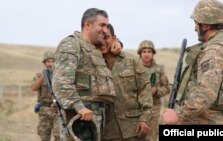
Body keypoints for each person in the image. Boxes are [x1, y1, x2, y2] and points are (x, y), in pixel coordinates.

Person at [161, 0, 223, 125]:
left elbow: (206, 93)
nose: (195, 29)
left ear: (205, 25)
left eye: (196, 23)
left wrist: (178, 115)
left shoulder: (214, 51)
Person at [52, 8, 121, 141]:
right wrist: (80, 108)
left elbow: (111, 42)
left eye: (107, 26)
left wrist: (118, 43)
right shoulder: (72, 44)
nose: (106, 30)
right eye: (102, 25)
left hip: (96, 119)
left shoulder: (95, 48)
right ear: (88, 25)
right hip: (79, 119)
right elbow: (61, 82)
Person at [100, 24, 153, 141]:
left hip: (133, 130)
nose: (102, 41)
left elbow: (144, 89)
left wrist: (145, 118)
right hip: (106, 132)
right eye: (100, 38)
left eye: (106, 37)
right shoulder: (93, 64)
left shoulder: (131, 61)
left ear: (114, 38)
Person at [137, 40, 170, 141]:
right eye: (144, 51)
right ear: (140, 53)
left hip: (154, 109)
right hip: (137, 109)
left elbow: (167, 88)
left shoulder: (159, 70)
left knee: (151, 137)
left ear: (153, 53)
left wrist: (156, 91)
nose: (146, 54)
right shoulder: (134, 68)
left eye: (149, 52)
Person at [31, 51, 60, 141]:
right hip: (44, 109)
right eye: (48, 61)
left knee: (59, 135)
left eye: (52, 61)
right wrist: (44, 77)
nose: (50, 64)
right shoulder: (39, 75)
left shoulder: (60, 75)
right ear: (44, 63)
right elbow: (33, 88)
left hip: (57, 109)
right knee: (44, 136)